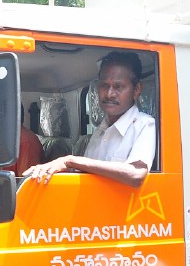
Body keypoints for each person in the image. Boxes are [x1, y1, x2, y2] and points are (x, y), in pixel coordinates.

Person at [24, 51, 156, 188]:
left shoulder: (144, 125)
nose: (109, 94)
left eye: (118, 87)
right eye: (104, 85)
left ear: (137, 90)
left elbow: (136, 174)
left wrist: (70, 161)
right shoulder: (99, 132)